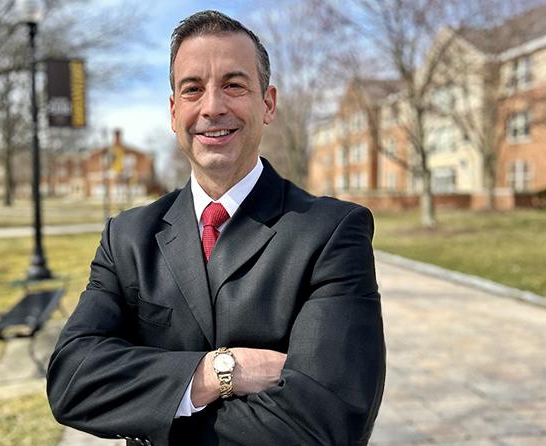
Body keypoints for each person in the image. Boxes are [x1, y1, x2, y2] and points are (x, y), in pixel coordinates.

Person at [47, 10, 385, 446]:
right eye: (193, 89)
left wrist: (153, 409)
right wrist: (216, 373)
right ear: (174, 112)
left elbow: (329, 423)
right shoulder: (128, 238)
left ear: (267, 103)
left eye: (233, 85)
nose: (212, 107)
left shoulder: (332, 232)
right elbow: (72, 381)